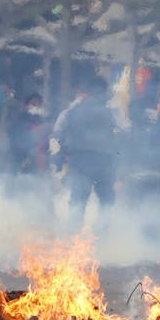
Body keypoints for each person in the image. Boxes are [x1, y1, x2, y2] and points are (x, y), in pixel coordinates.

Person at [51, 75, 118, 229]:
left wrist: (58, 159)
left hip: (81, 161)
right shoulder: (113, 111)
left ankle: (74, 238)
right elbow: (122, 134)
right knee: (106, 202)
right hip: (104, 162)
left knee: (78, 202)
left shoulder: (72, 110)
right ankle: (103, 237)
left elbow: (57, 135)